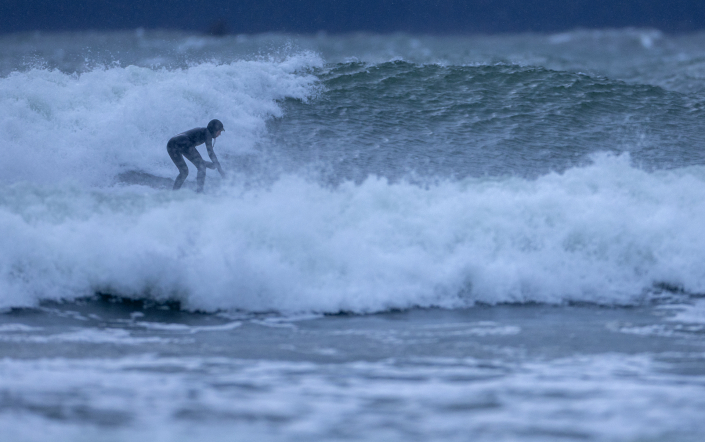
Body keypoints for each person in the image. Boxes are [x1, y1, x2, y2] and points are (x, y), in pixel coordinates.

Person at [167, 119, 226, 192]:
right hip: (183, 142)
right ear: (214, 130)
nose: (219, 134)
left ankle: (174, 192)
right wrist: (220, 170)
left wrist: (213, 165)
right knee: (201, 166)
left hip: (171, 144)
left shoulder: (203, 131)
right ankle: (199, 192)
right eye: (219, 131)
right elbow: (210, 152)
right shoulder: (207, 133)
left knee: (184, 172)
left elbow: (192, 155)